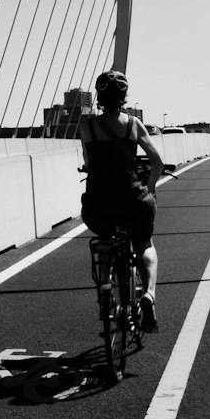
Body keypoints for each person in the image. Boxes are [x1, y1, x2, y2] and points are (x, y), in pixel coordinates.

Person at [79, 70, 164, 331]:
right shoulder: (132, 125)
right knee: (144, 244)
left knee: (105, 237)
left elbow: (89, 162)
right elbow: (157, 162)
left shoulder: (87, 126)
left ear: (99, 97)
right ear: (124, 96)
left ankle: (106, 290)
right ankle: (147, 295)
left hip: (98, 202)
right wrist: (148, 187)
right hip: (132, 199)